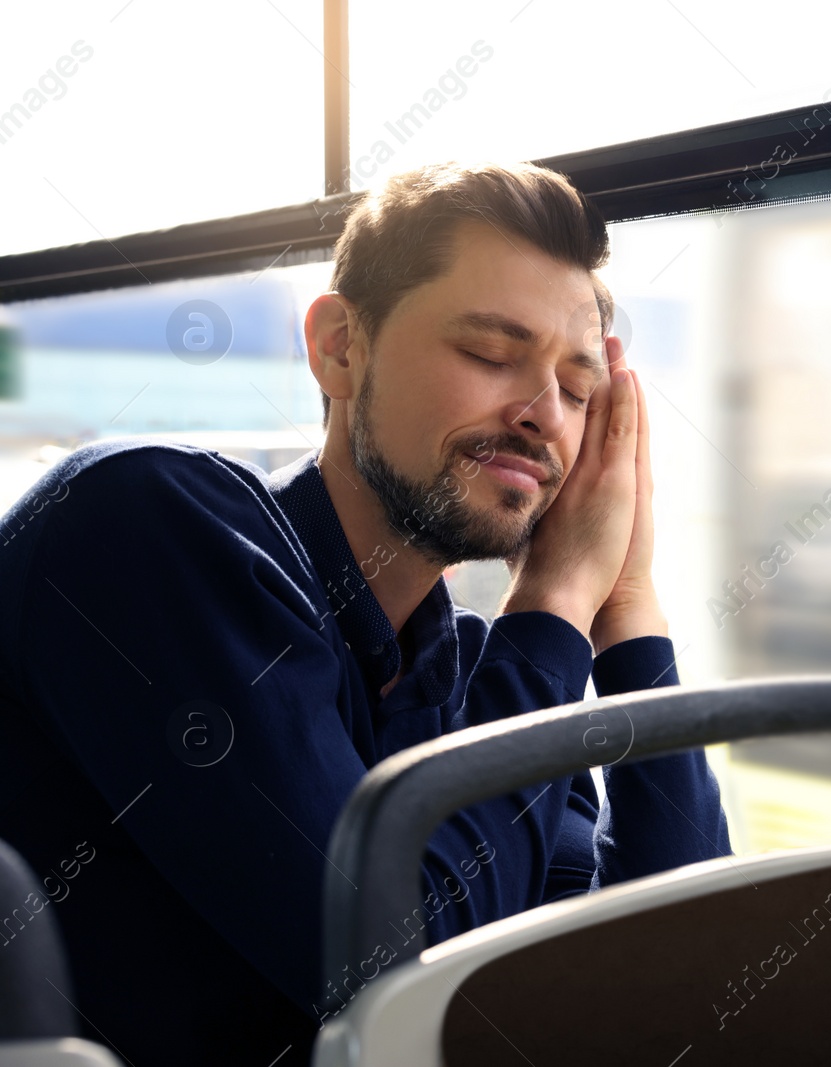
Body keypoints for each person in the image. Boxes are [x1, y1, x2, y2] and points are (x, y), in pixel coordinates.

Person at [0, 160, 731, 1065]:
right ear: (340, 346)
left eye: (581, 393)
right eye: (490, 354)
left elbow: (685, 983)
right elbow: (399, 985)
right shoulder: (149, 524)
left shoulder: (475, 676)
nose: (546, 415)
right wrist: (554, 603)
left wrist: (628, 601)